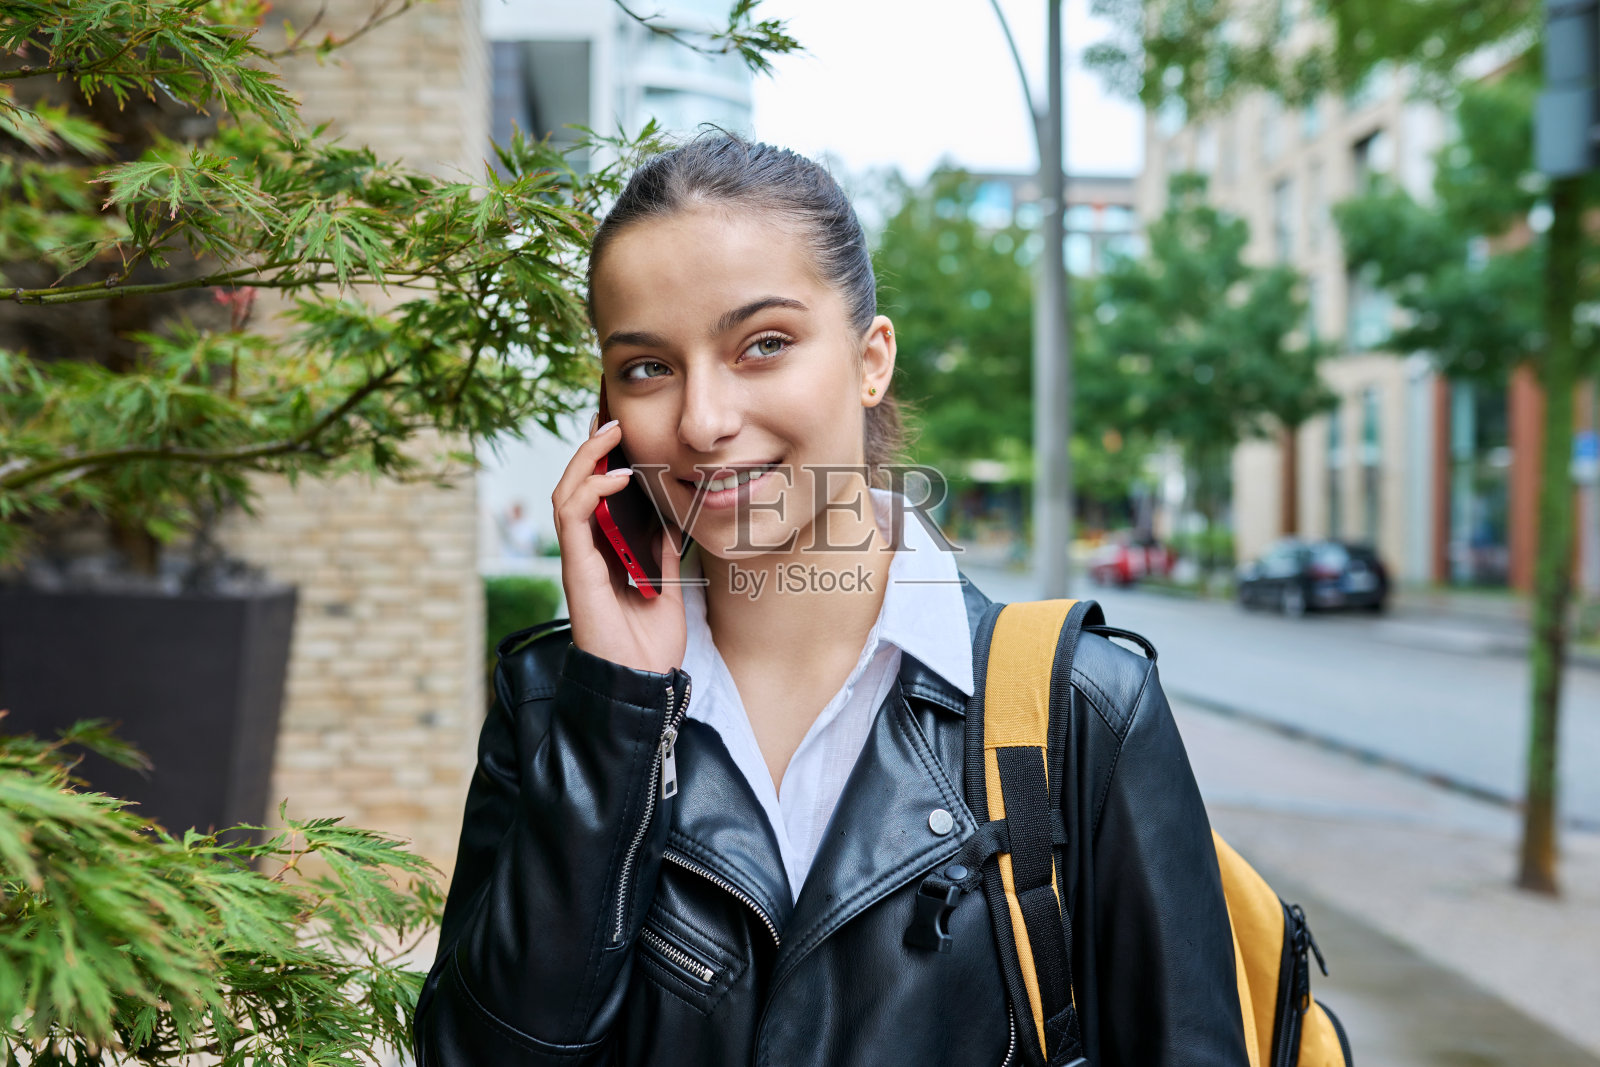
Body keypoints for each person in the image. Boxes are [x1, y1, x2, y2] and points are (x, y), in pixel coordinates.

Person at [411, 133, 1248, 1067]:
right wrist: (616, 714)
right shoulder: (551, 703)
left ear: (870, 359)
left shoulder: (1083, 709)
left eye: (763, 344)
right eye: (647, 367)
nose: (703, 421)